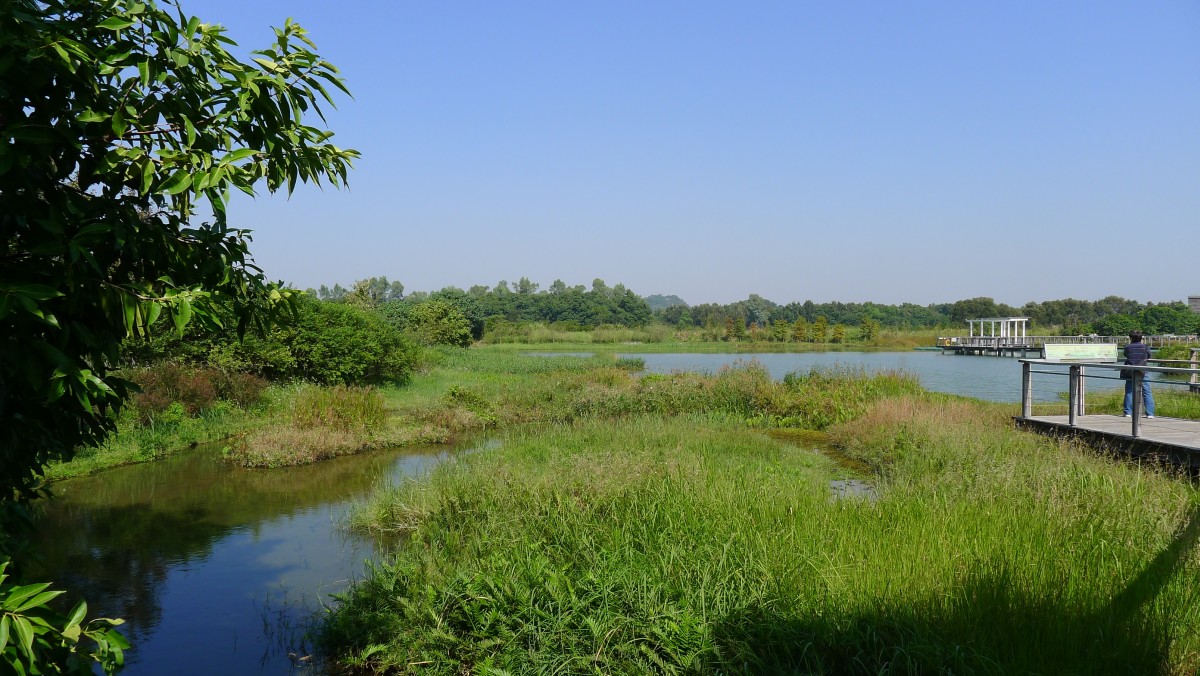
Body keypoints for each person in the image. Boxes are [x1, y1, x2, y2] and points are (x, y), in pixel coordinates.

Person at [1122, 330, 1155, 418]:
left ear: (1131, 338)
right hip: (1143, 370)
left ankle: (1127, 412)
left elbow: (1126, 355)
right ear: (1141, 338)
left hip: (1130, 371)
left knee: (1129, 391)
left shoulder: (1128, 347)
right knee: (1147, 391)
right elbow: (1149, 356)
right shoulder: (1145, 347)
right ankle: (1150, 413)